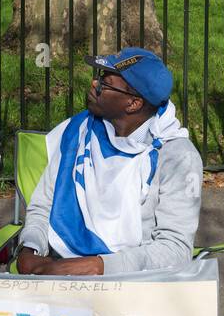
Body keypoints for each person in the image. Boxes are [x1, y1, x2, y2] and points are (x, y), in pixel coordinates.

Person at [16, 49, 201, 276]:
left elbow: (175, 249)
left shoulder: (177, 157)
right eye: (98, 76)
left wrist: (97, 266)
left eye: (105, 83)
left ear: (133, 103)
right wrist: (31, 247)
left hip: (135, 282)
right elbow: (44, 205)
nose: (94, 84)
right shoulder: (77, 131)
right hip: (58, 270)